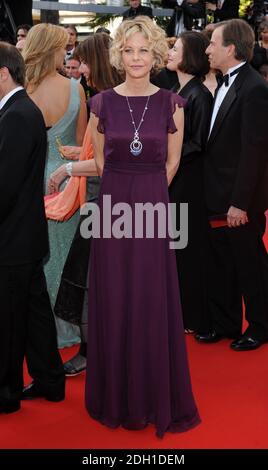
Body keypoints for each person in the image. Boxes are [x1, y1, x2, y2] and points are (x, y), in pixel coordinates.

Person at [85, 16, 200, 437]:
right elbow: (100, 162)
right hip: (114, 206)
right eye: (129, 50)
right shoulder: (100, 103)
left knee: (151, 297)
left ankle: (153, 395)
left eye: (144, 50)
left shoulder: (172, 103)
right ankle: (116, 396)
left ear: (155, 56)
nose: (136, 58)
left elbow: (172, 163)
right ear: (119, 55)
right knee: (115, 295)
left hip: (152, 205)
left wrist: (147, 192)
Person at [47, 33, 122, 376]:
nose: (80, 69)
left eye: (85, 60)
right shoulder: (103, 99)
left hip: (107, 203)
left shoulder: (107, 102)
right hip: (105, 200)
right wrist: (80, 154)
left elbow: (108, 161)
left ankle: (94, 353)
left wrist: (68, 167)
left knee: (90, 280)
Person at [195, 19, 268, 351]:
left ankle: (259, 326)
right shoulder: (220, 84)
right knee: (220, 262)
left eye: (213, 43)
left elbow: (255, 151)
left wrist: (240, 202)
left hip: (241, 199)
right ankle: (224, 323)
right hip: (216, 193)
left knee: (249, 264)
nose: (207, 48)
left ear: (231, 48)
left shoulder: (254, 89)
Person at [0, 42, 65, 413]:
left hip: (13, 238)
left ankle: (6, 394)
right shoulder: (18, 111)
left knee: (9, 319)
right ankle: (50, 380)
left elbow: (5, 186)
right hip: (23, 236)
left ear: (3, 73)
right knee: (34, 315)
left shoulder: (18, 115)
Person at [23, 23, 87, 348]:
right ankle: (64, 328)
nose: (67, 52)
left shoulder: (19, 91)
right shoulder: (75, 89)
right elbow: (82, 143)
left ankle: (29, 327)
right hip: (66, 184)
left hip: (26, 183)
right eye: (63, 47)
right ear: (52, 49)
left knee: (29, 259)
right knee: (63, 259)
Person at [167, 31, 213, 334]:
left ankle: (192, 316)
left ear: (191, 56)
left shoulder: (199, 95)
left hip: (189, 184)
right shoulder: (178, 88)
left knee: (187, 251)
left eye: (176, 48)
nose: (170, 52)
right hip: (175, 179)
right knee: (175, 249)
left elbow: (198, 143)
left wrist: (163, 156)